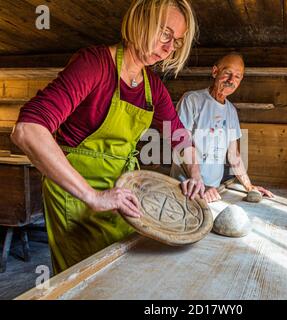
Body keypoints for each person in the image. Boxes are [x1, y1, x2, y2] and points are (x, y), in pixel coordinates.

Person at [11, 0, 204, 274]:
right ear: (141, 20)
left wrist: (195, 175)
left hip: (122, 195)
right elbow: (28, 129)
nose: (169, 48)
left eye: (177, 41)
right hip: (76, 198)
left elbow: (180, 138)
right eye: (165, 34)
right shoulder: (94, 65)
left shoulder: (154, 88)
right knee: (84, 281)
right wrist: (93, 196)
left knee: (118, 274)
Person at [171, 53, 274, 203]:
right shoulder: (191, 100)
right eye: (227, 73)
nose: (232, 80)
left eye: (238, 76)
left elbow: (233, 155)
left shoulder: (231, 111)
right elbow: (181, 143)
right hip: (184, 187)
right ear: (215, 72)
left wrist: (249, 186)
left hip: (213, 191)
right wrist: (199, 183)